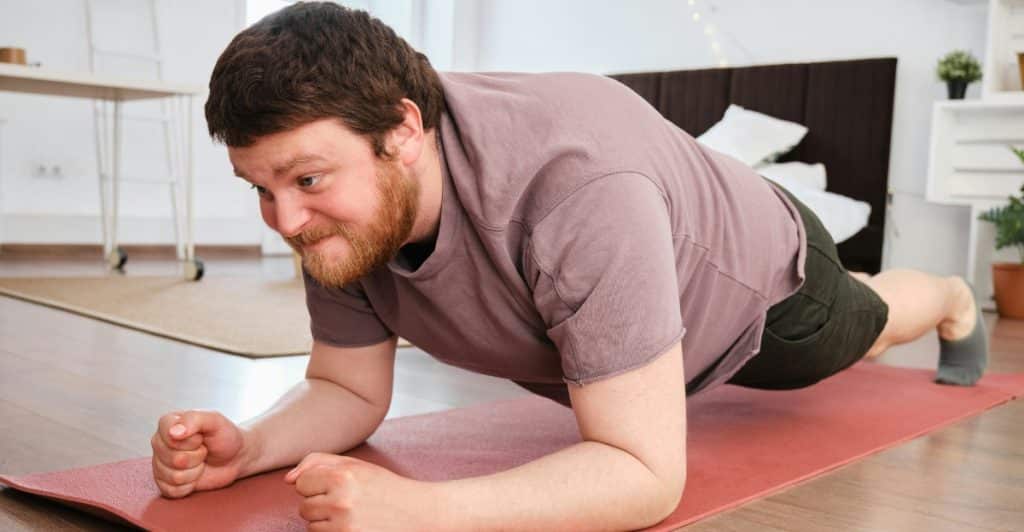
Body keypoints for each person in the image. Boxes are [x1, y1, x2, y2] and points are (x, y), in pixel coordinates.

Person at [149, 3, 989, 530]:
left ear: (403, 131)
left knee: (870, 328)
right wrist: (252, 445)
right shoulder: (339, 193)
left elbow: (645, 475)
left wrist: (429, 512)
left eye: (304, 181)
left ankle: (948, 296)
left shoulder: (577, 188)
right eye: (260, 187)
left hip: (769, 285)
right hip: (655, 246)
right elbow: (347, 390)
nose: (285, 220)